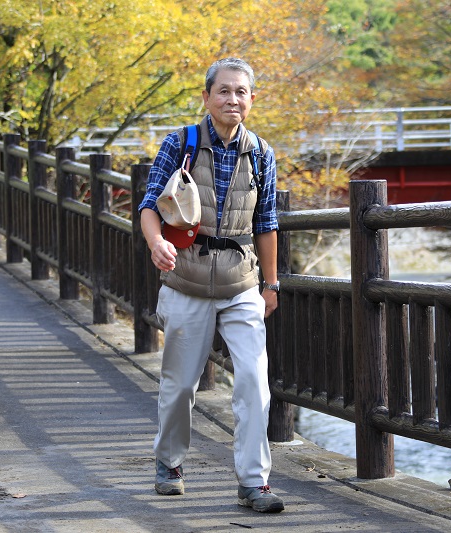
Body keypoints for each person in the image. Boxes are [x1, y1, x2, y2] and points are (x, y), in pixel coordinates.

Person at [137, 57, 283, 513]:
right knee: (180, 384)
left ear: (252, 99)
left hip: (242, 282)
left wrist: (272, 284)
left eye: (241, 92)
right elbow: (149, 204)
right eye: (224, 91)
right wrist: (156, 241)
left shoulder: (261, 152)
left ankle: (254, 482)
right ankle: (170, 463)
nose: (233, 99)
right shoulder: (180, 143)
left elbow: (267, 222)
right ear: (206, 96)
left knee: (255, 382)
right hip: (186, 279)